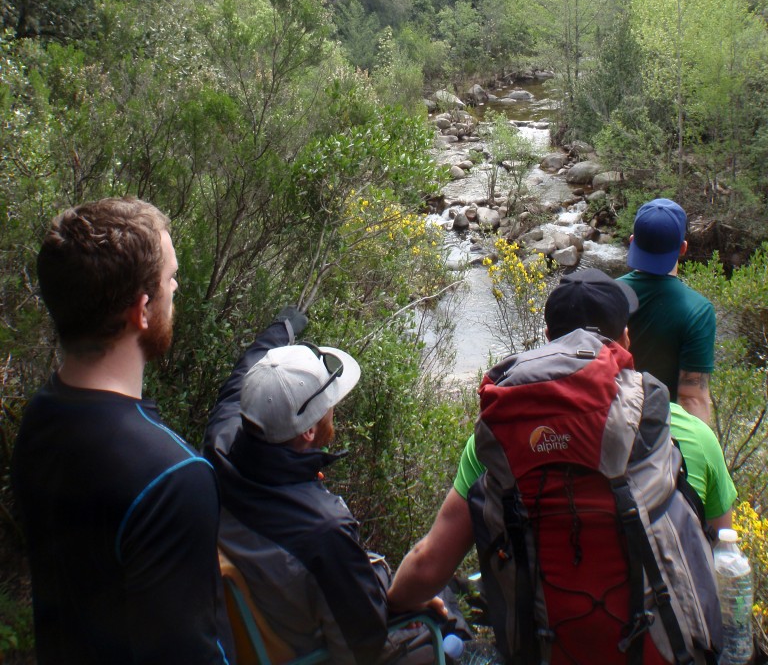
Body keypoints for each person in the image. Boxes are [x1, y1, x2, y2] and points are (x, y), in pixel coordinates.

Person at [387, 269, 734, 617]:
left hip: (544, 641)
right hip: (661, 645)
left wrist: (391, 606)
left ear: (549, 337)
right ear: (626, 341)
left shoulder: (502, 434)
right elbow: (723, 560)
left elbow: (430, 564)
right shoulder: (690, 434)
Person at [11, 197, 232, 665]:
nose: (177, 287)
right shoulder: (173, 477)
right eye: (171, 277)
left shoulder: (39, 418)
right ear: (142, 309)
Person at [204, 312, 464, 665]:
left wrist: (284, 328)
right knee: (443, 603)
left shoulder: (221, 444)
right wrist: (403, 605)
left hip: (271, 618)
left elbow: (242, 376)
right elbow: (364, 646)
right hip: (315, 650)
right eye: (328, 404)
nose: (333, 411)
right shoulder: (323, 530)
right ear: (308, 431)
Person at [620, 198, 716, 422]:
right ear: (683, 248)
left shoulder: (607, 294)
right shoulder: (698, 311)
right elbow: (693, 398)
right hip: (661, 437)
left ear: (632, 241)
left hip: (610, 427)